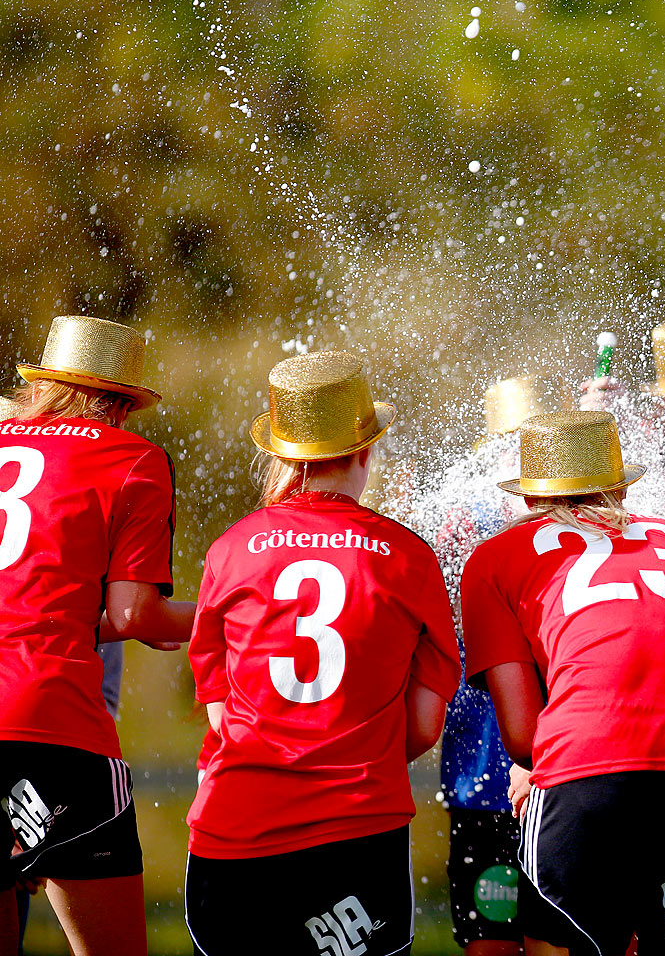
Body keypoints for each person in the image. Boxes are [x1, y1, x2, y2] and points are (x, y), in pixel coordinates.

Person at [462, 410, 665, 955]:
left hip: (590, 768)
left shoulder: (493, 559)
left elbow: (523, 738)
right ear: (621, 486)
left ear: (531, 499)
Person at [185, 350, 461, 956]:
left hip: (237, 831)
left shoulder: (231, 548)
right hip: (356, 830)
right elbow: (421, 724)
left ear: (283, 455)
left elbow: (220, 714)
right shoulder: (407, 556)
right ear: (364, 453)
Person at [1, 315, 193, 956]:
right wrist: (225, 615)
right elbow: (136, 616)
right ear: (118, 401)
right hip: (50, 716)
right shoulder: (133, 457)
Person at [434, 374, 559, 956]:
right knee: (492, 947)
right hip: (481, 787)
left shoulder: (573, 535)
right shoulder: (464, 529)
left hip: (559, 785)